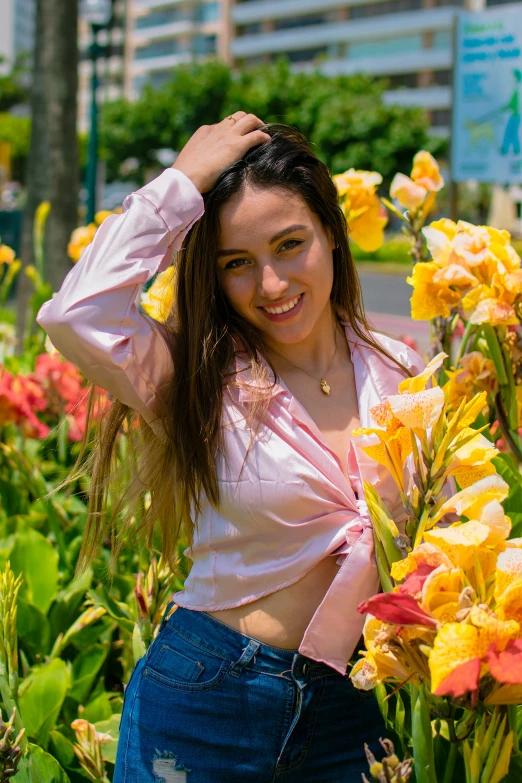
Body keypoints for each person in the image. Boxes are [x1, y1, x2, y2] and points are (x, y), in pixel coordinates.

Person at [36, 113, 426, 782]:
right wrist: (182, 184)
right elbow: (77, 315)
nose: (270, 284)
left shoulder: (403, 369)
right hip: (208, 698)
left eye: (290, 244)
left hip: (361, 709)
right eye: (238, 264)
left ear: (332, 234)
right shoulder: (193, 376)